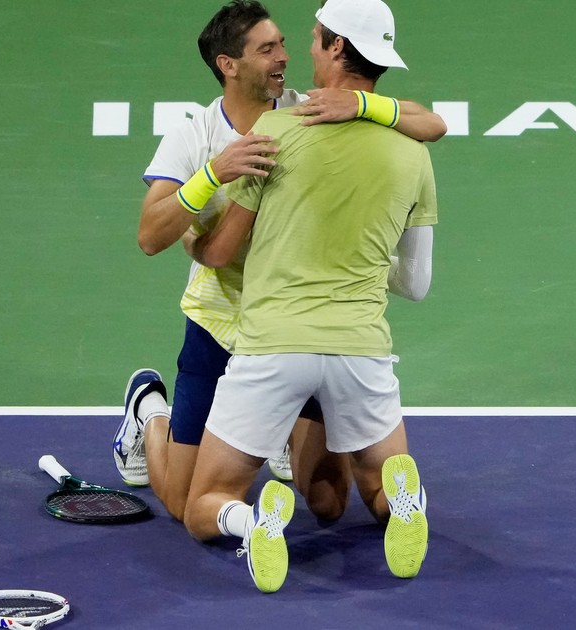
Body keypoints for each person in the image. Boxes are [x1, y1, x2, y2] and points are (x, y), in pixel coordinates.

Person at [113, 0, 447, 524]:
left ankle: (274, 432)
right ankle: (150, 412)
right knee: (180, 504)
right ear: (229, 64)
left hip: (285, 325)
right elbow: (151, 237)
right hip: (220, 322)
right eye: (267, 49)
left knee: (327, 501)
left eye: (286, 44)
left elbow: (430, 121)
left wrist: (360, 105)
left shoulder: (306, 111)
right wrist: (214, 173)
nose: (285, 57)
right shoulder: (194, 135)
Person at [182, 0, 436, 593]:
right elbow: (416, 284)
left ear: (337, 46)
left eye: (317, 37)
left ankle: (252, 523)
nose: (306, 48)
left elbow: (219, 252)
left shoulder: (274, 132)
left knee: (204, 503)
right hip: (361, 351)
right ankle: (407, 502)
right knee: (373, 490)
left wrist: (194, 238)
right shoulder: (414, 152)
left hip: (272, 348)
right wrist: (358, 254)